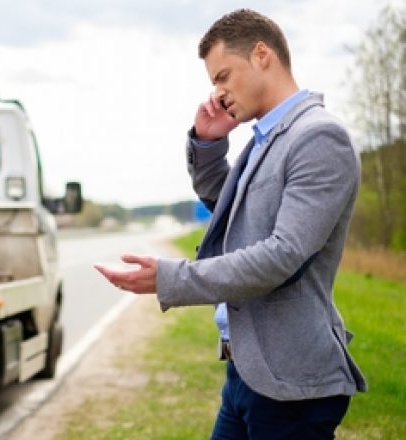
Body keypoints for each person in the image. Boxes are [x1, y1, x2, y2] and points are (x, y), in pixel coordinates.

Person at [94, 8, 367, 440]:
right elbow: (229, 209)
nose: (218, 93)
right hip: (248, 372)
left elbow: (282, 256)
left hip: (290, 385)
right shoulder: (265, 137)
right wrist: (208, 143)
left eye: (223, 76)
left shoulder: (318, 137)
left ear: (262, 55)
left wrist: (172, 278)